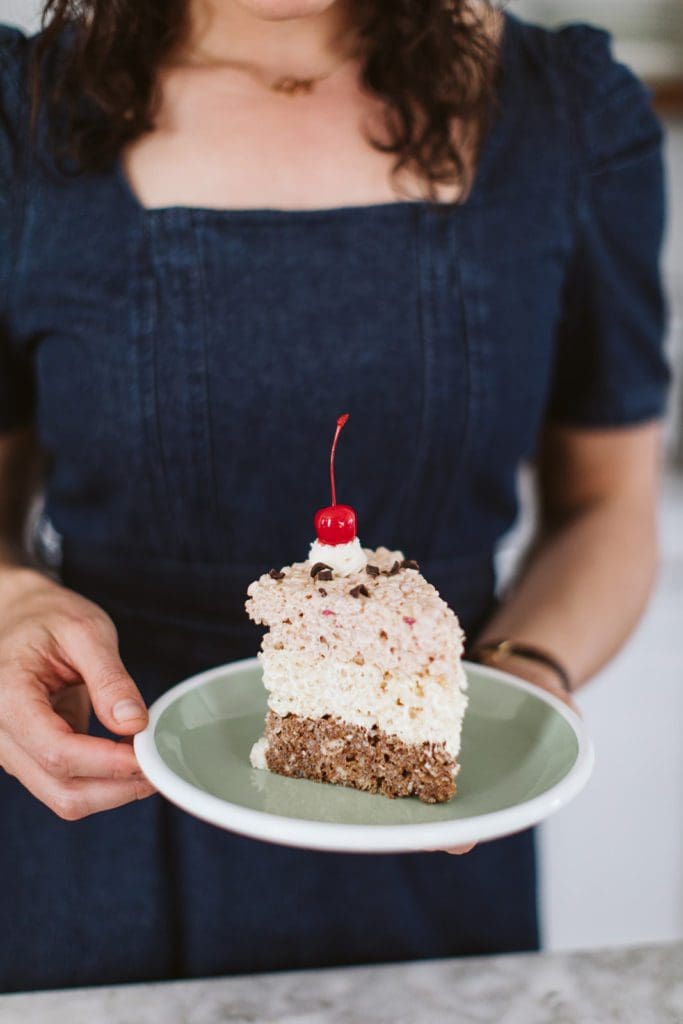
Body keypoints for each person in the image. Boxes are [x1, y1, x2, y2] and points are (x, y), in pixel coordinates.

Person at [0, 0, 670, 994]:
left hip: (431, 828)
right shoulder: (22, 117)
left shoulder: (569, 113)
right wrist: (11, 601)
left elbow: (606, 504)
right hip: (105, 812)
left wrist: (520, 673)